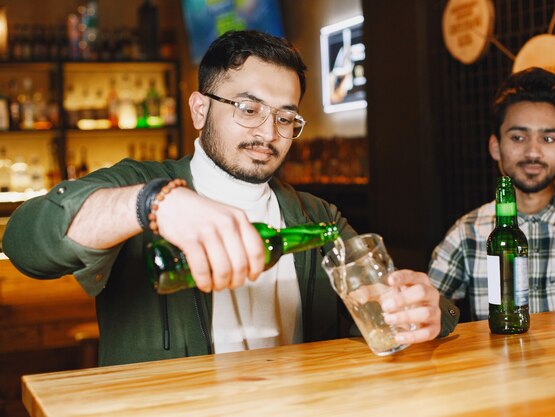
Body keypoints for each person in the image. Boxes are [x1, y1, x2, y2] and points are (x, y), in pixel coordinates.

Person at [3, 30, 459, 366]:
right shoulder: (141, 180)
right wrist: (151, 204)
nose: (268, 132)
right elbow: (25, 242)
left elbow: (388, 300)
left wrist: (425, 308)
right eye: (248, 108)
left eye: (286, 117)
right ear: (200, 109)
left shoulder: (316, 216)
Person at [428, 67, 555, 321]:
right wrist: (431, 311)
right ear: (495, 147)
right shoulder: (468, 232)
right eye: (519, 137)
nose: (533, 152)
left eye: (548, 139)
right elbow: (430, 307)